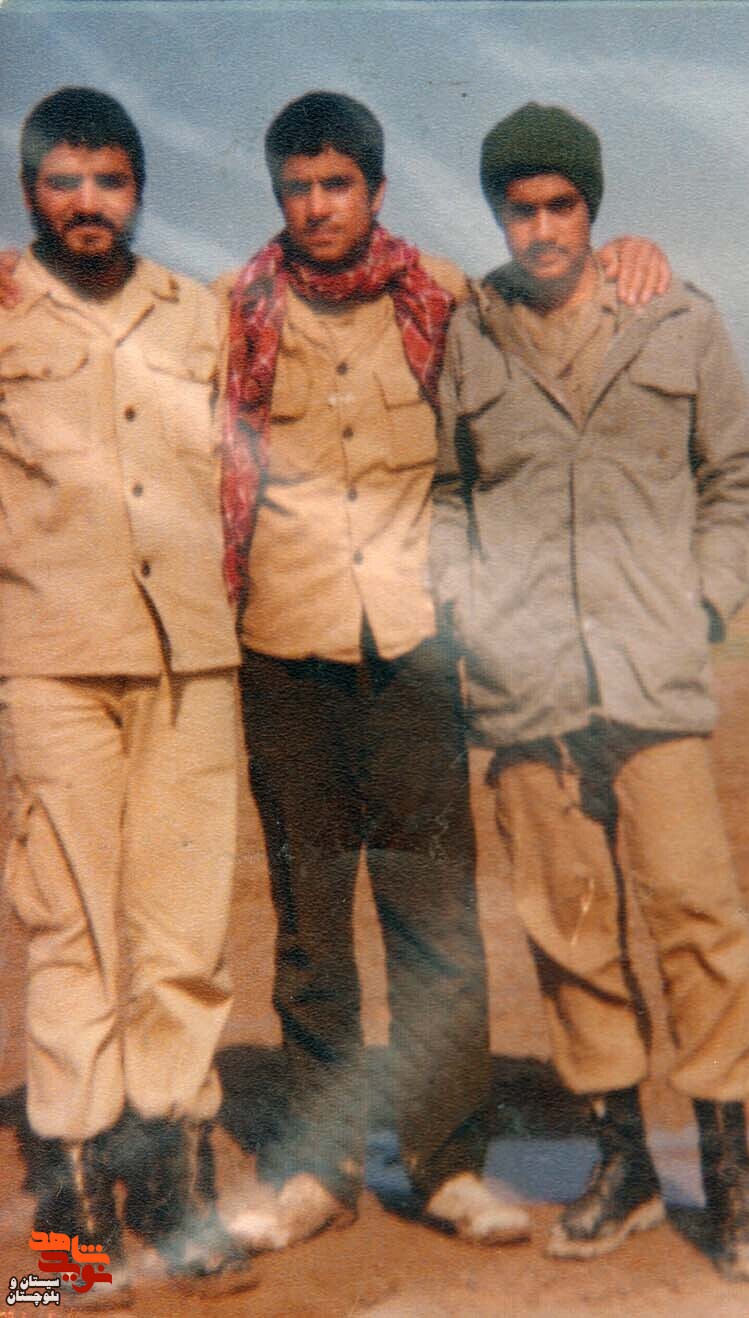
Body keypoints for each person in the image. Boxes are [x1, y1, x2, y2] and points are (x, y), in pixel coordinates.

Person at [216, 91, 672, 1253]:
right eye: (297, 188)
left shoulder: (452, 300)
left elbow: (565, 301)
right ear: (279, 197)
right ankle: (316, 1168)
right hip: (283, 653)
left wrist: (628, 253)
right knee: (312, 928)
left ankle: (449, 1164)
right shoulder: (229, 312)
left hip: (417, 650)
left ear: (375, 191)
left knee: (433, 918)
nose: (317, 206)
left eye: (338, 184)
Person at [431, 101, 749, 1281]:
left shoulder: (677, 319)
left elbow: (736, 478)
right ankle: (622, 1159)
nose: (542, 228)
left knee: (696, 918)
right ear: (498, 213)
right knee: (571, 930)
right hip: (527, 689)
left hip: (652, 677)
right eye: (520, 208)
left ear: (593, 209)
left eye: (563, 205)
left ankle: (731, 1169)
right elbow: (444, 497)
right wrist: (470, 613)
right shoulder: (467, 336)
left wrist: (703, 605)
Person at [0, 88, 253, 1298]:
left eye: (109, 179)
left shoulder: (199, 312)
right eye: (64, 181)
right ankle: (70, 1212)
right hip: (54, 658)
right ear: (30, 192)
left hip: (190, 658)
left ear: (139, 190)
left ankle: (175, 1184)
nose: (88, 202)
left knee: (183, 933)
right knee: (69, 924)